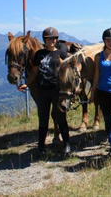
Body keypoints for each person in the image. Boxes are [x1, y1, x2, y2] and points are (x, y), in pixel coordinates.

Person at [18, 27, 71, 155]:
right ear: (45, 40)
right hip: (42, 90)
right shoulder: (39, 54)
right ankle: (41, 147)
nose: (51, 40)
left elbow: (68, 72)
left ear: (56, 40)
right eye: (49, 38)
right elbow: (35, 72)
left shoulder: (61, 54)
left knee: (61, 118)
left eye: (54, 38)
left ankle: (67, 145)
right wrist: (27, 83)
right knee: (43, 119)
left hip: (57, 91)